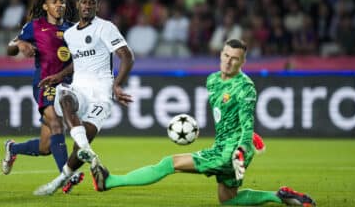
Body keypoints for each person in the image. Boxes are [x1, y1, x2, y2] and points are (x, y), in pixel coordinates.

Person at [78, 39, 316, 206]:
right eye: (226, 56)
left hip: (231, 153)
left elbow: (247, 120)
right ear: (220, 54)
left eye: (235, 59)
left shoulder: (245, 88)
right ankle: (279, 196)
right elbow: (230, 119)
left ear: (242, 62)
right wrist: (249, 140)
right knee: (229, 200)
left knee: (168, 163)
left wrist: (243, 147)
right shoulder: (213, 81)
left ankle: (108, 182)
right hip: (225, 146)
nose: (229, 62)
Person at [33, 0, 134, 196]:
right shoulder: (70, 34)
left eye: (92, 3)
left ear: (97, 6)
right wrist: (59, 76)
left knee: (80, 147)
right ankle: (88, 152)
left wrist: (117, 84)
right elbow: (77, 62)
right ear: (77, 5)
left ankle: (60, 179)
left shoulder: (105, 28)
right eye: (84, 2)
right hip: (79, 89)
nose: (88, 6)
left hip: (101, 94)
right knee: (64, 94)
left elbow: (127, 56)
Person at [2, 0, 83, 193]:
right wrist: (19, 44)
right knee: (57, 125)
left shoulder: (74, 30)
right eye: (54, 1)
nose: (59, 5)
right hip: (45, 85)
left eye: (62, 1)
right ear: (46, 6)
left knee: (45, 147)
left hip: (67, 87)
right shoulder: (34, 27)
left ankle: (13, 148)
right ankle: (68, 176)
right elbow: (10, 49)